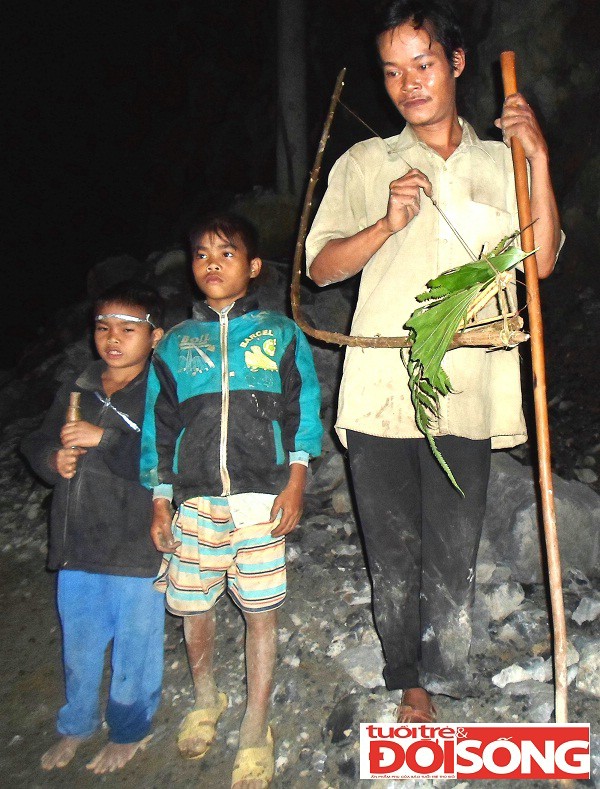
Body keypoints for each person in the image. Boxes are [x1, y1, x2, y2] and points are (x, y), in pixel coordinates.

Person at [306, 0, 562, 723]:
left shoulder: (500, 161)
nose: (408, 83)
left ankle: (445, 669)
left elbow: (539, 263)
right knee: (392, 545)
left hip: (469, 386)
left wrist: (538, 158)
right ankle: (407, 680)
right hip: (381, 386)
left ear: (456, 63)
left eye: (423, 64)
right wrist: (384, 224)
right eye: (393, 71)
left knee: (454, 543)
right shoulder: (366, 162)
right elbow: (321, 268)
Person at [141, 212, 322, 788]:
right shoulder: (175, 345)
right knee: (193, 607)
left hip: (260, 498)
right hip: (194, 501)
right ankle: (206, 699)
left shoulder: (280, 333)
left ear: (254, 266)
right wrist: (160, 498)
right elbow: (159, 425)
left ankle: (256, 725)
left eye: (226, 253)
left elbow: (303, 410)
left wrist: (296, 479)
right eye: (201, 254)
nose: (212, 263)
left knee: (260, 613)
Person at [20, 281, 165, 773]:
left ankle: (129, 730)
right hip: (77, 542)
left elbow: (168, 459)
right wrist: (51, 459)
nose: (113, 338)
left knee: (135, 647)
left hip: (136, 545)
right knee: (79, 643)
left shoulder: (161, 392)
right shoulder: (77, 386)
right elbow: (35, 440)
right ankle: (76, 723)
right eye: (103, 327)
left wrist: (104, 439)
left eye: (128, 328)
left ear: (155, 336)